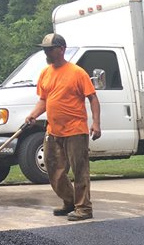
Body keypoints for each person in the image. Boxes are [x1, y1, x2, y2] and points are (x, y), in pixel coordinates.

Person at [25, 33, 101, 221]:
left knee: (79, 169)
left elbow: (92, 98)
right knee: (53, 169)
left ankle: (84, 208)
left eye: (49, 49)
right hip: (53, 130)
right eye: (44, 49)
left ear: (61, 49)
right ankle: (70, 201)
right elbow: (44, 100)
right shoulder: (45, 73)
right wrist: (33, 115)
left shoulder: (77, 73)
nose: (46, 53)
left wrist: (96, 123)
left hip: (75, 130)